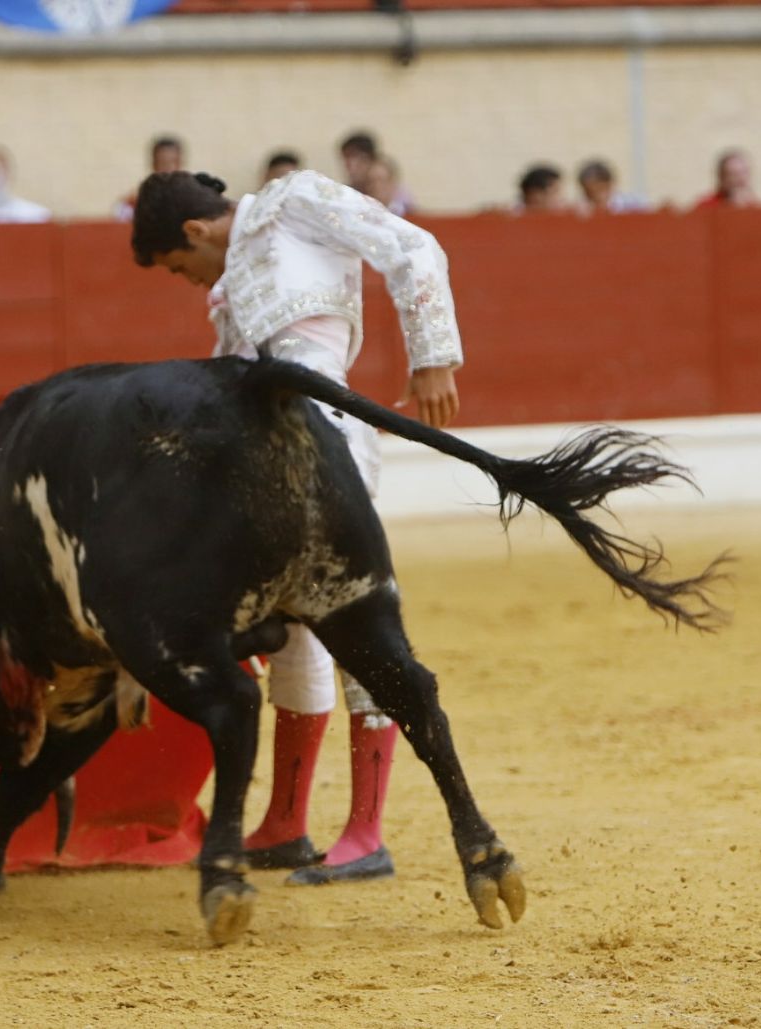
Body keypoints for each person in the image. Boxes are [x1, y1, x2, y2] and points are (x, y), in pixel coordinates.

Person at [130, 169, 463, 884]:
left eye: (179, 267)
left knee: (353, 623)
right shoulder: (229, 298)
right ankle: (285, 823)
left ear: (194, 231)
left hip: (330, 440)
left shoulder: (295, 200)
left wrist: (433, 356)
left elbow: (413, 247)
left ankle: (367, 832)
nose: (189, 281)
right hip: (256, 464)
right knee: (292, 630)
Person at [115, 135, 184, 220]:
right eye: (162, 163)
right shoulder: (136, 200)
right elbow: (120, 221)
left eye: (172, 162)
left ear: (180, 164)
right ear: (153, 164)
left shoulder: (191, 200)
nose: (168, 169)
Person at [576, 159, 647, 213]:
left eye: (599, 190)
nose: (596, 197)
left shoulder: (634, 205)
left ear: (610, 184)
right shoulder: (583, 211)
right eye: (589, 193)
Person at [339, 131, 378, 195]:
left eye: (353, 156)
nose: (348, 164)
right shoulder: (345, 194)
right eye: (346, 158)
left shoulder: (392, 195)